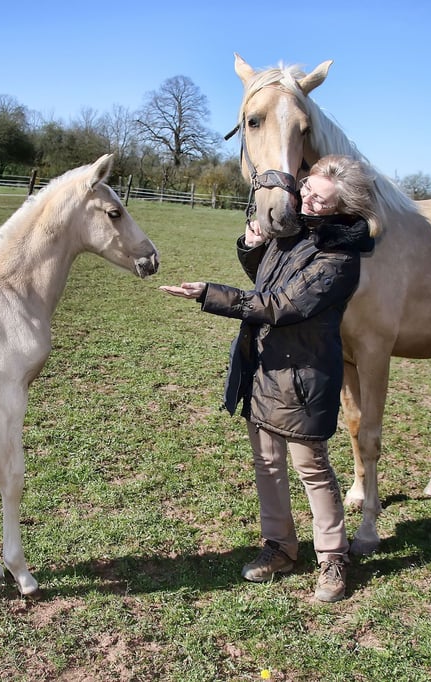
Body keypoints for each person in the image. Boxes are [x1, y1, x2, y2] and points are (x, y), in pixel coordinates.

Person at [160, 154, 378, 602]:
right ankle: (280, 546)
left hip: (302, 377)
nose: (308, 201)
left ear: (342, 207)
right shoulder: (294, 232)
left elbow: (280, 305)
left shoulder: (339, 257)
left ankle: (333, 558)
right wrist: (253, 244)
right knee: (267, 464)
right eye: (308, 191)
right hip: (265, 366)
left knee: (311, 469)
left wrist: (208, 294)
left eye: (321, 199)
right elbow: (264, 283)